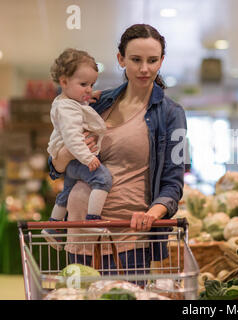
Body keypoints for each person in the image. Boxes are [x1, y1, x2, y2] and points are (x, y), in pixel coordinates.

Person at [47, 24, 187, 276]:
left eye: (152, 60)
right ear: (120, 59)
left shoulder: (171, 114)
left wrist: (153, 214)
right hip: (79, 235)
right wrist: (69, 152)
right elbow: (55, 167)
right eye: (135, 59)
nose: (144, 68)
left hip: (129, 238)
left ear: (162, 61)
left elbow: (173, 181)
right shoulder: (97, 102)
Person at [42, 48, 112, 248]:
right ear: (64, 82)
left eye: (91, 84)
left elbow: (79, 112)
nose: (89, 89)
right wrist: (87, 158)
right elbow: (73, 138)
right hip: (77, 158)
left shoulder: (68, 102)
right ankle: (92, 219)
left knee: (67, 190)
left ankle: (53, 226)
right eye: (83, 84)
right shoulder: (67, 108)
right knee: (103, 179)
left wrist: (85, 100)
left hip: (72, 161)